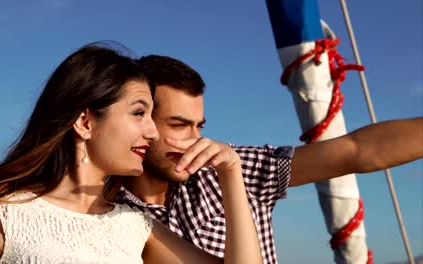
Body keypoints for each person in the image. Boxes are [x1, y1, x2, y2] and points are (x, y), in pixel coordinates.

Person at [0, 43, 263, 264]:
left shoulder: (136, 226)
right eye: (139, 113)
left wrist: (231, 173)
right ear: (85, 121)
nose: (153, 132)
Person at [117, 54, 423, 264]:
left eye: (199, 126)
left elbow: (356, 150)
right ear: (141, 120)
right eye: (179, 125)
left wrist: (231, 170)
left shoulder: (228, 165)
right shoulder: (105, 209)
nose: (195, 140)